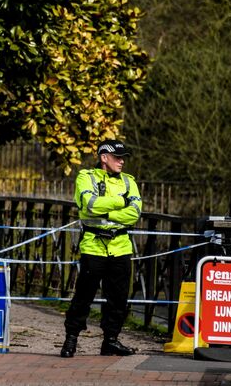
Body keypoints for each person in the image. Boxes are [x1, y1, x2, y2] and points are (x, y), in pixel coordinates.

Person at [60, 139, 142, 358]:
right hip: (93, 246)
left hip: (121, 247)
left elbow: (135, 212)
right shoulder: (86, 177)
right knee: (83, 296)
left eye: (124, 157)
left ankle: (111, 341)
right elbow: (88, 205)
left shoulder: (129, 182)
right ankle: (71, 339)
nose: (122, 161)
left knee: (118, 299)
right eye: (117, 157)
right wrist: (118, 203)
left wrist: (105, 210)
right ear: (104, 157)